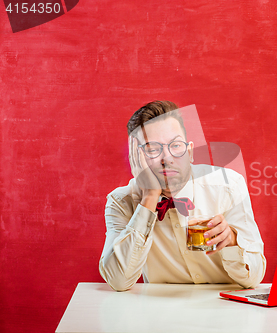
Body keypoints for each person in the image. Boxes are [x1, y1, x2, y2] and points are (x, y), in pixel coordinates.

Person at [99, 101, 266, 291]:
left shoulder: (228, 185)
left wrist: (232, 241)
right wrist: (150, 197)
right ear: (136, 158)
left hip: (225, 307)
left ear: (190, 151)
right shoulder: (121, 201)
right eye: (153, 149)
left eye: (176, 145)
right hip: (160, 312)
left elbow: (254, 278)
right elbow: (118, 281)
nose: (167, 157)